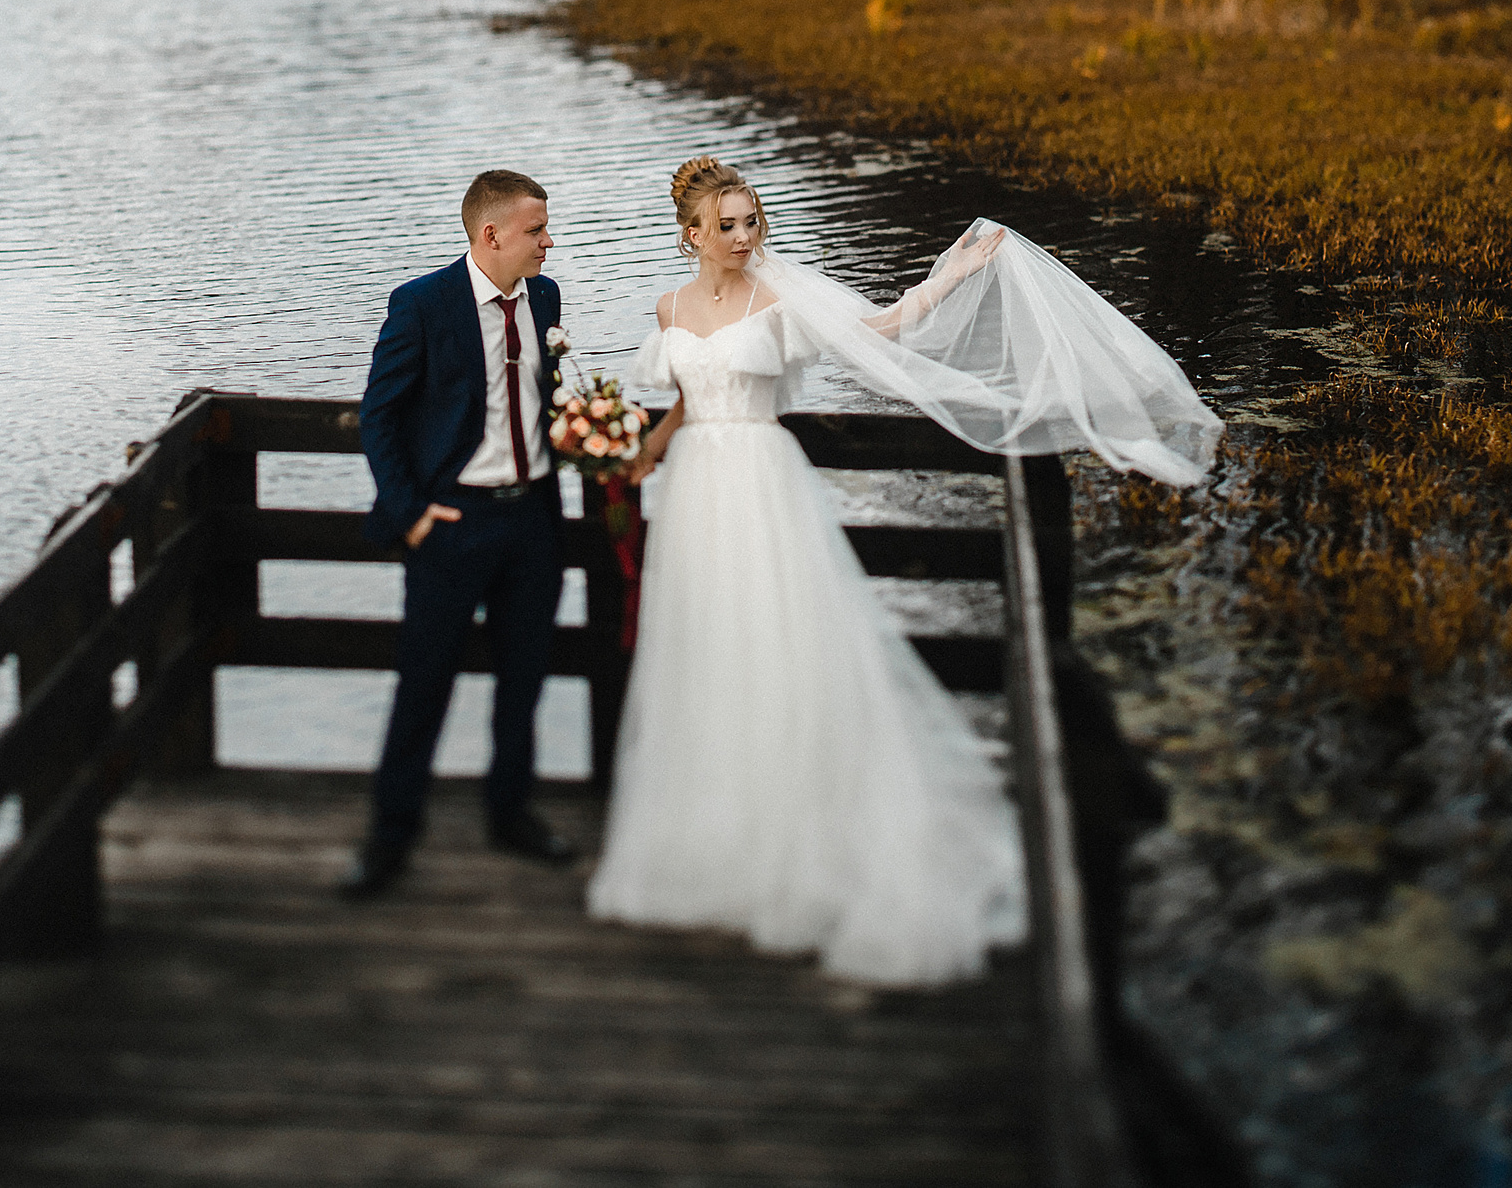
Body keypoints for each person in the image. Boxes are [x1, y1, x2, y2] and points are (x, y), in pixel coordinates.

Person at [586, 157, 1221, 984]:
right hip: (696, 489)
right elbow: (686, 395)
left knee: (780, 642)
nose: (745, 237)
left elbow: (877, 330)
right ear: (692, 235)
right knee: (709, 647)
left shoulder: (775, 297)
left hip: (762, 484)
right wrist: (644, 452)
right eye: (728, 225)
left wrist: (951, 274)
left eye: (752, 221)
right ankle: (714, 825)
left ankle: (799, 829)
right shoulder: (669, 309)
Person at [342, 169, 575, 899]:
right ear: (492, 234)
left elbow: (543, 399)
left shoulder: (545, 297)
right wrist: (410, 511)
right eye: (537, 229)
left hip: (532, 520)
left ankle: (511, 814)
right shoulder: (421, 304)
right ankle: (390, 836)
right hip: (452, 525)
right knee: (425, 681)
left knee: (524, 678)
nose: (548, 241)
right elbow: (378, 416)